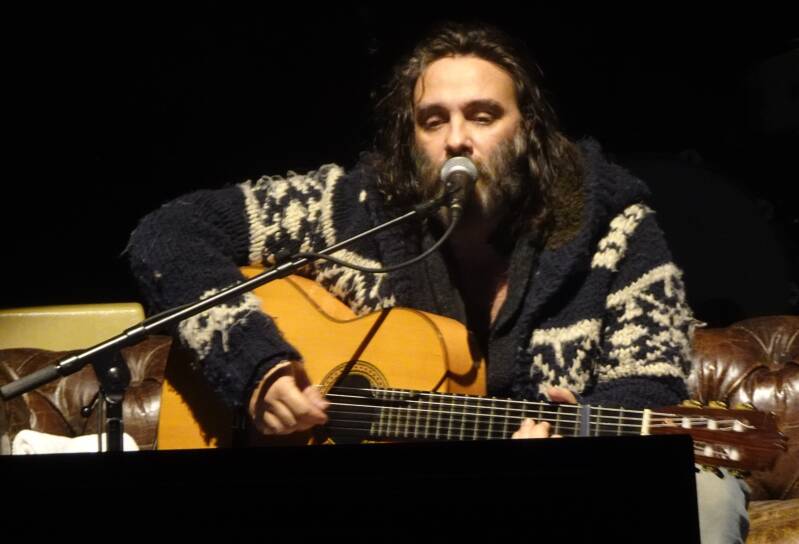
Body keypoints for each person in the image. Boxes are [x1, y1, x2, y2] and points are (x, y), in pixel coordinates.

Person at [127, 22, 749, 543]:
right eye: (433, 120)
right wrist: (257, 369)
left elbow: (650, 382)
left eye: (483, 115)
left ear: (528, 131)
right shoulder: (353, 207)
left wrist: (577, 435)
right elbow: (169, 235)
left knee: (707, 500)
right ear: (411, 139)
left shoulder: (612, 222)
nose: (457, 138)